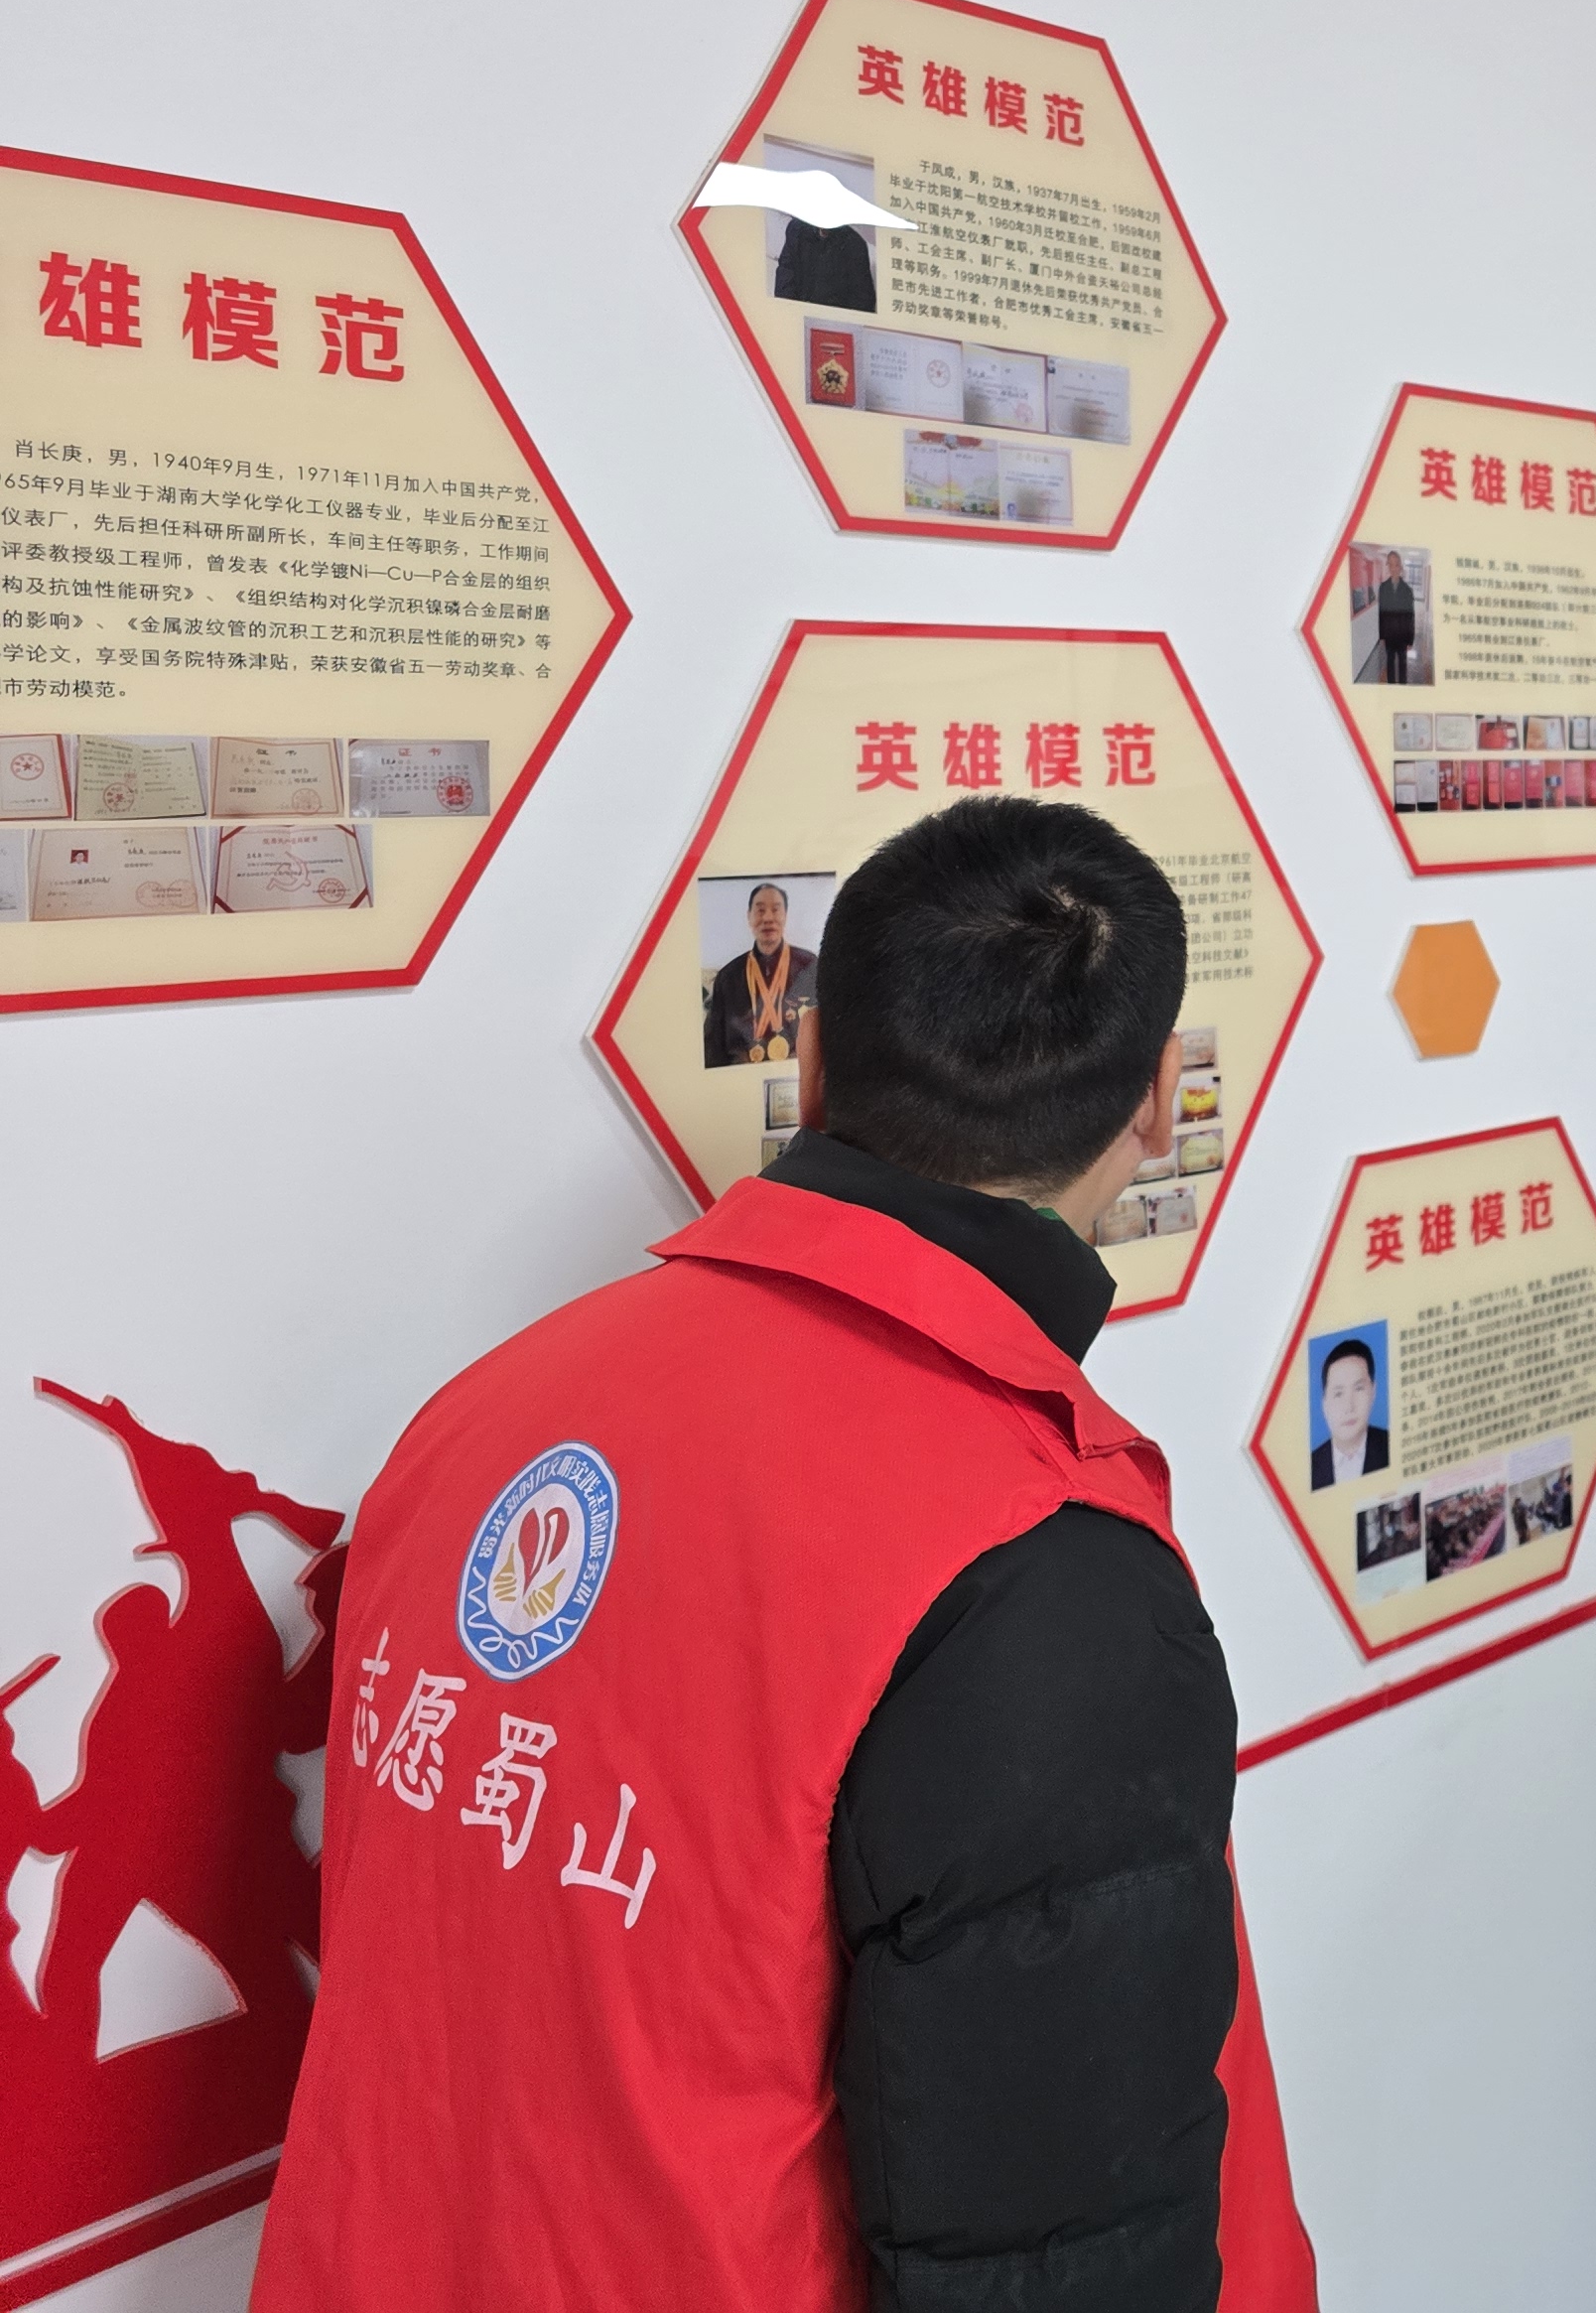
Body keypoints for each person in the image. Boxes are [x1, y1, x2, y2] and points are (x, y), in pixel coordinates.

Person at [261, 797, 1316, 2313]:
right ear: (1159, 1100)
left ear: (809, 1064)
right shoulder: (1028, 1561)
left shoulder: (486, 1413)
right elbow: (1061, 2249)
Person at [705, 877, 820, 1068]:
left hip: (794, 1074)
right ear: (749, 917)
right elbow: (712, 1047)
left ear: (785, 916)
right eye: (760, 910)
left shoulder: (809, 966)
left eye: (775, 910)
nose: (767, 918)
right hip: (740, 1075)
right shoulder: (728, 976)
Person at [1310, 1336, 1392, 1486]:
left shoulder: (1392, 1446)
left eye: (1359, 1389)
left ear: (1373, 1391)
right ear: (1324, 1404)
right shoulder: (1310, 1467)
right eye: (1338, 1394)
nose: (1349, 1406)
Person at [1373, 554, 1416, 684]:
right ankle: (1391, 687)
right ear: (1388, 566)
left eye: (1396, 565)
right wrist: (1382, 635)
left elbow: (1410, 616)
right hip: (1389, 635)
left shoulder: (1407, 590)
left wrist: (1410, 639)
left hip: (1403, 636)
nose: (1393, 568)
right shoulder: (1383, 588)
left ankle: (1402, 689)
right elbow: (1381, 613)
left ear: (1400, 567)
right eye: (1390, 565)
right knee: (1390, 663)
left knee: (1403, 665)